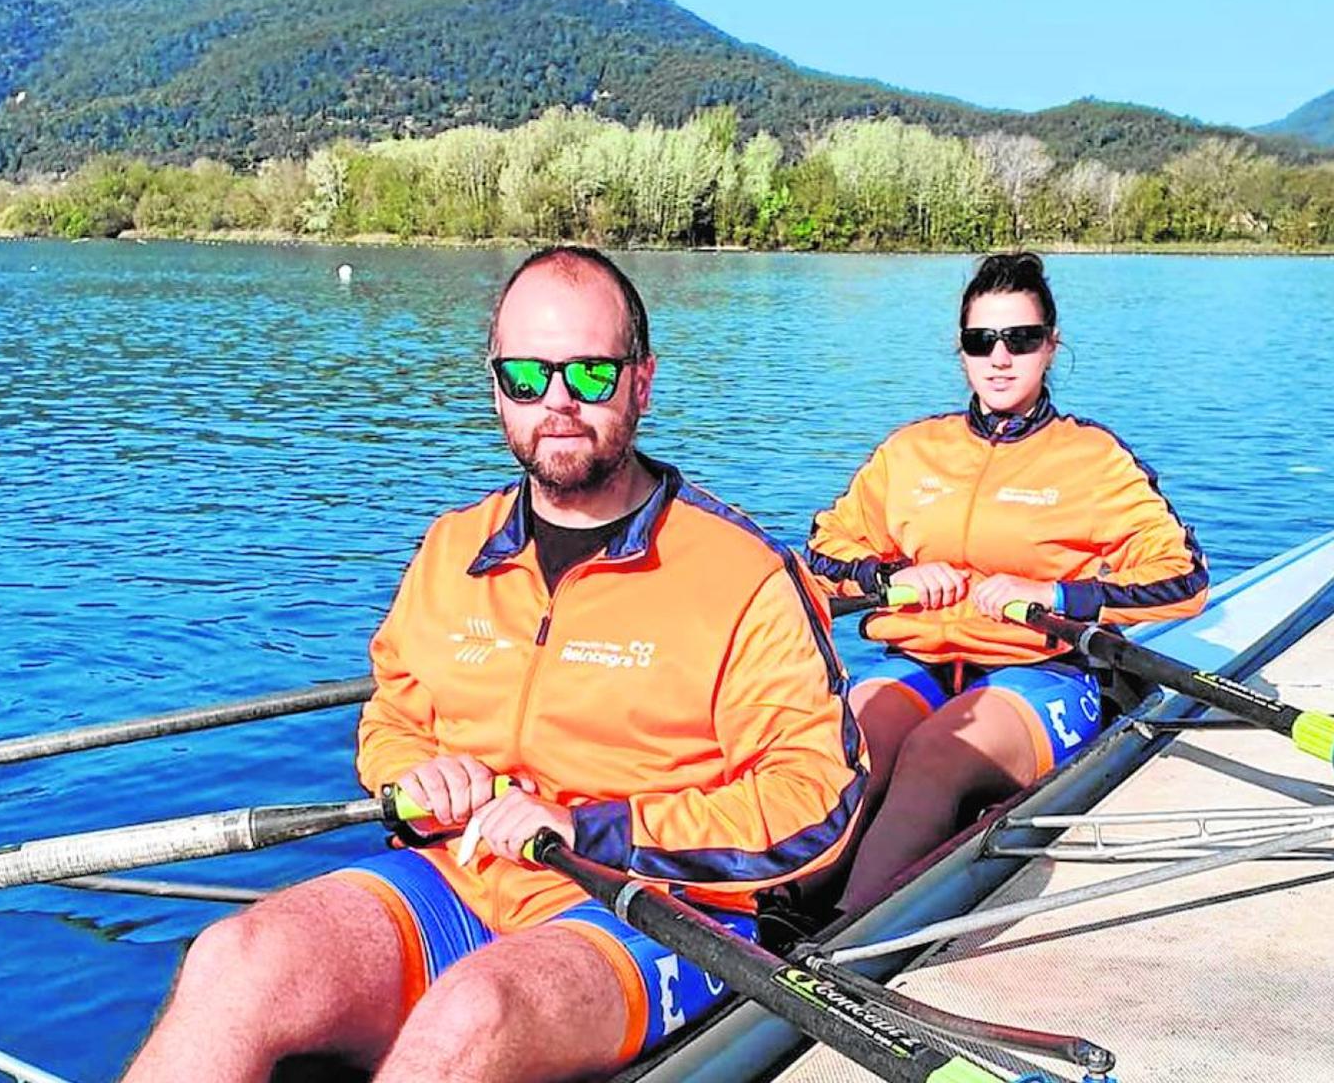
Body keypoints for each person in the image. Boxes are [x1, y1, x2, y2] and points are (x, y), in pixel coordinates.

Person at [124, 246, 865, 1083]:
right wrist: (416, 776)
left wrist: (595, 826)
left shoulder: (746, 574)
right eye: (526, 376)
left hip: (653, 908)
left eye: (590, 375)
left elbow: (817, 801)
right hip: (463, 875)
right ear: (496, 386)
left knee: (473, 1016)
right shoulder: (451, 550)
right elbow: (394, 720)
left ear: (642, 383)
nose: (557, 402)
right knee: (235, 958)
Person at [806, 251, 1206, 912]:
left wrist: (1057, 597)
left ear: (1051, 347)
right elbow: (824, 557)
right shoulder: (911, 451)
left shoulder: (1093, 459)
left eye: (1019, 340)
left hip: (1041, 671)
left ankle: (841, 939)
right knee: (844, 741)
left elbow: (1183, 578)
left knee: (937, 753)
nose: (999, 358)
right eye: (980, 340)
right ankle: (766, 913)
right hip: (922, 661)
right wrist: (890, 574)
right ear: (960, 351)